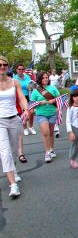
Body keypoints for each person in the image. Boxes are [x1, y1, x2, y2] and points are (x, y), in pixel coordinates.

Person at [0, 56, 29, 198]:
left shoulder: (14, 82)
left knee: (12, 151)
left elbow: (22, 98)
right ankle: (13, 185)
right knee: (4, 152)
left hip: (14, 119)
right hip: (0, 121)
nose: (2, 67)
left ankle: (14, 171)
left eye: (5, 64)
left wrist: (26, 109)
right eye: (0, 65)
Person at [30, 72, 60, 163]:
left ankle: (51, 149)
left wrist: (53, 100)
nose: (46, 79)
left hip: (52, 113)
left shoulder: (53, 88)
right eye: (43, 78)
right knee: (45, 132)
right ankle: (47, 152)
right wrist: (39, 102)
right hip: (41, 114)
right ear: (40, 79)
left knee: (51, 132)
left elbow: (60, 99)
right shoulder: (36, 91)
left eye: (47, 77)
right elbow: (31, 104)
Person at [13, 63, 36, 136]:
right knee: (23, 113)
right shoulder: (14, 78)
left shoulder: (27, 77)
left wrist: (31, 86)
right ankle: (25, 128)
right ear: (16, 70)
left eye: (22, 69)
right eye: (19, 69)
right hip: (20, 98)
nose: (21, 70)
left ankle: (31, 126)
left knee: (31, 112)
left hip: (29, 96)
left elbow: (31, 85)